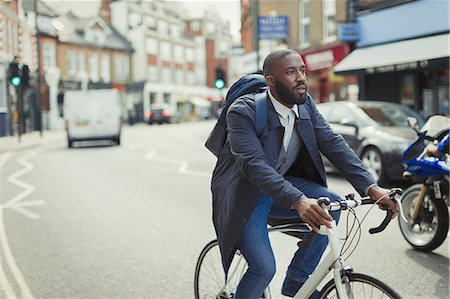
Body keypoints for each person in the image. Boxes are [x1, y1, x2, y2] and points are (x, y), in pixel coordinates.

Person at [210, 49, 398, 299]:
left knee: (331, 206)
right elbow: (254, 164)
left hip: (279, 187)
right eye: (291, 72)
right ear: (271, 81)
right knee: (263, 268)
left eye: (302, 70)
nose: (300, 77)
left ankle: (297, 280)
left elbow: (332, 143)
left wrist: (371, 188)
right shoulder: (243, 111)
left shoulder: (305, 103)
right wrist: (298, 200)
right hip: (244, 195)